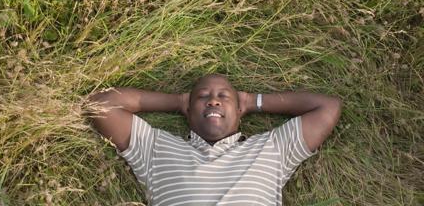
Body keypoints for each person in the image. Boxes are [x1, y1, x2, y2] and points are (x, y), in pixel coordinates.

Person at [87, 73, 342, 205]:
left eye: (224, 96)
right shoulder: (157, 149)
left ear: (239, 109)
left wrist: (254, 101)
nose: (213, 100)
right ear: (188, 109)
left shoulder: (272, 149)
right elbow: (101, 104)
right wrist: (177, 101)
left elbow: (327, 107)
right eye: (202, 96)